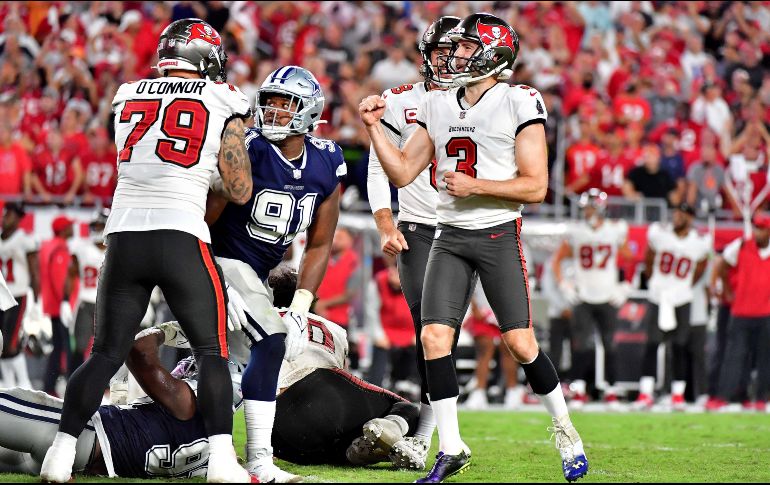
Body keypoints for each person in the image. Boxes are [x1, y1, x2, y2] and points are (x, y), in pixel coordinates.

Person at [360, 13, 588, 483]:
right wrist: (373, 129)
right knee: (433, 338)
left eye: (466, 47)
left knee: (520, 344)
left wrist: (475, 185)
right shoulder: (439, 105)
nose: (456, 56)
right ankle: (450, 445)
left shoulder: (518, 101)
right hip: (447, 237)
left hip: (496, 235)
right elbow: (402, 173)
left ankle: (565, 430)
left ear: (494, 54)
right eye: (456, 48)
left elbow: (536, 186)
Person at [39, 18, 255, 484]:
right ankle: (221, 461)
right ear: (206, 60)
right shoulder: (224, 98)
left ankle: (58, 454)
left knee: (104, 354)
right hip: (180, 232)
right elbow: (239, 189)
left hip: (124, 234)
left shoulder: (127, 94)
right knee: (211, 352)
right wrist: (214, 174)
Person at [206, 65, 344, 482]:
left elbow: (320, 243)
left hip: (258, 274)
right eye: (269, 102)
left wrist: (301, 304)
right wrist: (212, 275)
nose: (274, 112)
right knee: (271, 343)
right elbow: (204, 222)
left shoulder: (326, 161)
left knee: (231, 365)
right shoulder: (246, 150)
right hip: (222, 259)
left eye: (286, 104)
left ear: (309, 110)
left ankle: (196, 446)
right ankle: (259, 461)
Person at [365, 15, 462, 471]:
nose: (450, 60)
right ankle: (430, 436)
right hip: (421, 227)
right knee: (432, 334)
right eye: (442, 51)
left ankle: (434, 435)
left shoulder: (486, 101)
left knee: (459, 334)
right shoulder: (399, 101)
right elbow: (377, 169)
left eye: (458, 52)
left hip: (470, 229)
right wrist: (387, 224)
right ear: (426, 54)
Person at [0, 326, 245, 479]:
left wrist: (171, 329)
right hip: (89, 462)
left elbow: (139, 350)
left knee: (29, 400)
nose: (187, 369)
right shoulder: (215, 454)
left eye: (195, 369)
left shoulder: (185, 403)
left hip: (81, 436)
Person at [552, 189, 632, 407]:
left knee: (610, 344)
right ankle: (579, 390)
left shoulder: (615, 230)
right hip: (584, 296)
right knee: (582, 345)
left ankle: (612, 390)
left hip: (608, 294)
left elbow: (630, 259)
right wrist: (564, 285)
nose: (587, 212)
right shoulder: (577, 232)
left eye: (590, 208)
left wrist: (625, 285)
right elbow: (556, 261)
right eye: (585, 208)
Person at [632, 203, 711, 411]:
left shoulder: (699, 242)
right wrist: (657, 284)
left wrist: (683, 287)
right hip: (659, 296)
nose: (676, 217)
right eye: (675, 213)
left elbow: (701, 266)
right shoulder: (660, 234)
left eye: (681, 213)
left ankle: (677, 395)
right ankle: (645, 393)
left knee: (680, 346)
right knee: (652, 344)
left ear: (690, 218)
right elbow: (647, 261)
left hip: (682, 298)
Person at [707, 212, 770, 410]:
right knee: (733, 356)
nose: (757, 233)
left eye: (761, 229)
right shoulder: (742, 245)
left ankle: (762, 398)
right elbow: (722, 265)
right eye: (756, 228)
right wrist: (726, 289)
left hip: (766, 313)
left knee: (765, 358)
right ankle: (722, 396)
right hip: (741, 311)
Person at [63, 209, 109, 371]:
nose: (95, 230)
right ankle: (72, 379)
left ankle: (107, 385)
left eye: (99, 226)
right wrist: (65, 301)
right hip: (86, 302)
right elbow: (70, 274)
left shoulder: (115, 250)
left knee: (107, 347)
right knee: (79, 346)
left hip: (108, 304)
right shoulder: (81, 248)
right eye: (94, 226)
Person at [0, 202, 38, 389]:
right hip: (1, 296)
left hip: (17, 296)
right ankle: (7, 384)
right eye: (6, 213)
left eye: (10, 214)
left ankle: (24, 384)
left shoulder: (24, 239)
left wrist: (36, 301)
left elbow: (34, 271)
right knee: (1, 343)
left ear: (18, 219)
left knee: (10, 343)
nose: (6, 217)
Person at [39, 215, 74, 396]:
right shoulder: (59, 248)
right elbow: (60, 278)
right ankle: (59, 385)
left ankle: (50, 385)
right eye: (69, 226)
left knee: (59, 345)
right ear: (62, 230)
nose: (72, 228)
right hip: (59, 305)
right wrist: (65, 301)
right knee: (65, 346)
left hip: (54, 304)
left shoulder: (49, 245)